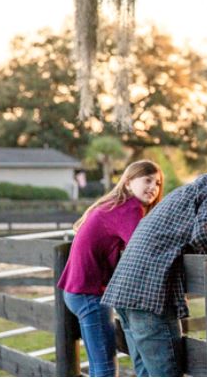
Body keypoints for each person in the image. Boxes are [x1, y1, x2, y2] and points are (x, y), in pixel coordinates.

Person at [101, 138, 207, 377]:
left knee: (145, 373)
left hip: (124, 291)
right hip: (149, 296)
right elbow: (205, 235)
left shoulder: (189, 189)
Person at [57, 160, 165, 377]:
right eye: (147, 180)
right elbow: (144, 248)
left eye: (158, 183)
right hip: (89, 294)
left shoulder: (115, 206)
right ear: (127, 183)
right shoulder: (130, 209)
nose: (153, 187)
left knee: (99, 366)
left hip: (76, 292)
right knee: (105, 369)